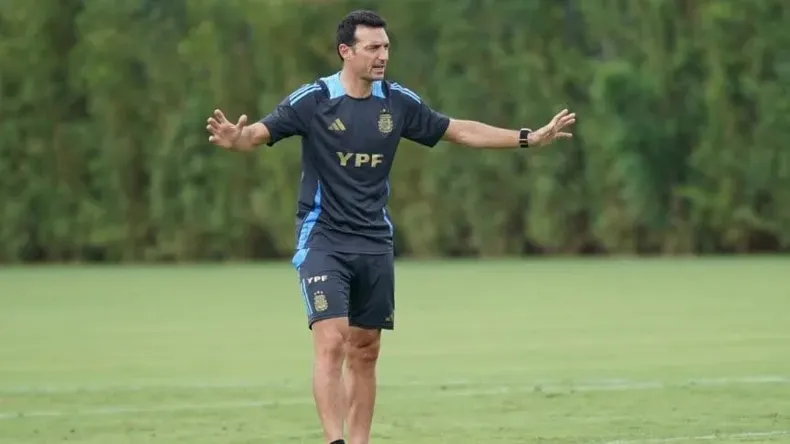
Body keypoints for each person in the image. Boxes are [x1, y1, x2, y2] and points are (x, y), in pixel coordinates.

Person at [206, 9, 575, 444]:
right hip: (323, 238)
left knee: (365, 350)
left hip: (374, 241)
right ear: (346, 51)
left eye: (386, 47)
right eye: (372, 48)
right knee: (332, 341)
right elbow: (258, 133)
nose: (382, 55)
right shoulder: (314, 99)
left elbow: (460, 131)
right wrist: (237, 140)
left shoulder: (397, 102)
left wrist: (528, 137)